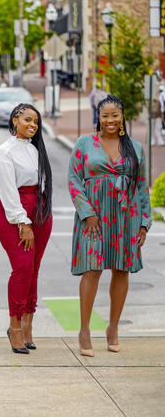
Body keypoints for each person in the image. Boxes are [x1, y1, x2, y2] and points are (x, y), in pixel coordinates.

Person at [68, 94, 151, 357]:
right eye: (105, 115)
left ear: (122, 116)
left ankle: (113, 328)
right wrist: (87, 212)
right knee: (92, 269)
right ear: (98, 118)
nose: (110, 120)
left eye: (115, 115)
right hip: (92, 218)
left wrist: (144, 223)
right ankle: (84, 330)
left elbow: (141, 186)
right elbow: (74, 179)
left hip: (127, 216)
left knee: (121, 270)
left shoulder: (135, 148)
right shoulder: (84, 143)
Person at [0, 103, 53, 354]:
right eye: (27, 119)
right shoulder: (4, 151)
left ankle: (28, 324)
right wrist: (23, 222)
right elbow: (7, 190)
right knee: (23, 267)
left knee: (34, 269)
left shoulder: (36, 149)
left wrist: (41, 213)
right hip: (13, 211)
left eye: (36, 122)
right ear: (15, 120)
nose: (32, 125)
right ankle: (14, 326)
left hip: (39, 209)